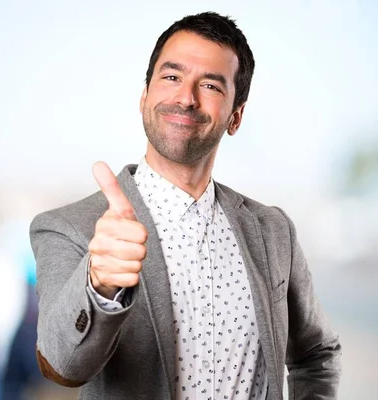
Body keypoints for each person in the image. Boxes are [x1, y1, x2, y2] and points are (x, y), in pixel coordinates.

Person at [30, 11, 341, 400]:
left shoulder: (273, 230)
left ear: (235, 116)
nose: (186, 98)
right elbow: (62, 366)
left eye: (210, 85)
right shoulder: (70, 227)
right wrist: (99, 283)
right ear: (144, 96)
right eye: (172, 77)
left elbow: (317, 353)